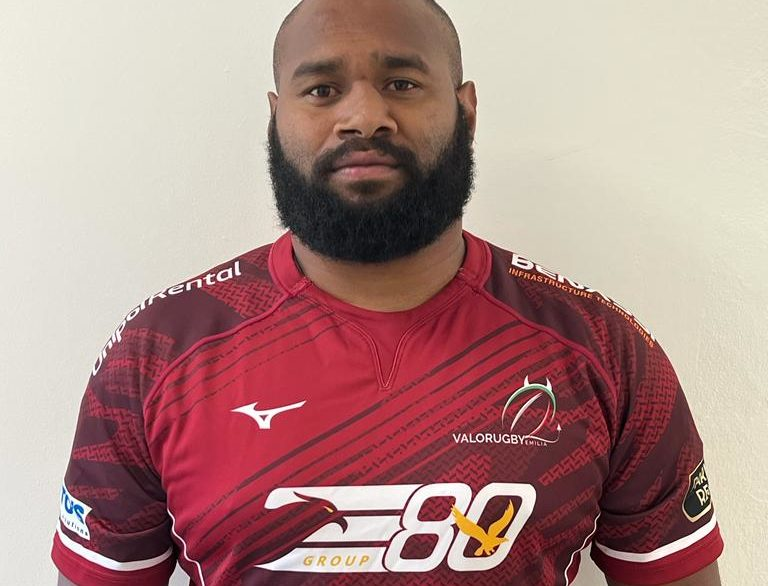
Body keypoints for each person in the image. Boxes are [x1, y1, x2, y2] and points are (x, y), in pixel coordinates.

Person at [52, 0, 724, 584]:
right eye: (322, 90)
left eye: (402, 83)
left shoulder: (605, 350)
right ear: (276, 117)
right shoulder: (157, 352)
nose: (364, 117)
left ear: (465, 110)